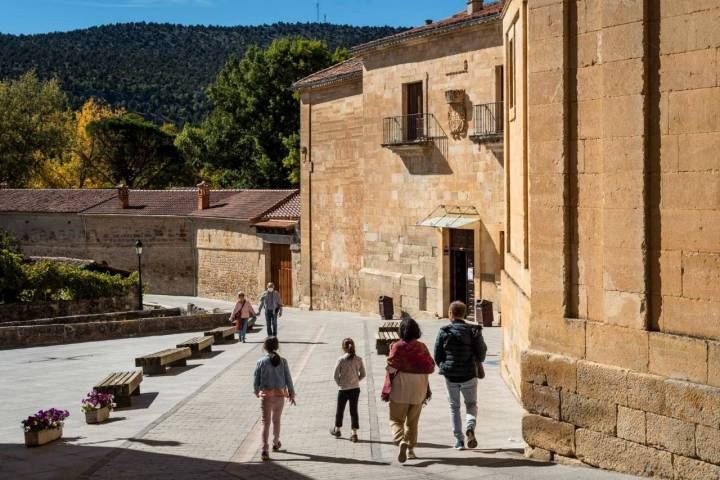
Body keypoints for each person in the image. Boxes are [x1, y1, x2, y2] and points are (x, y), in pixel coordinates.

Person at [434, 300, 487, 450]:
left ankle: (459, 440)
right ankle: (470, 426)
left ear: (450, 314)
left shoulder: (444, 331)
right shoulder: (473, 331)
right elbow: (482, 354)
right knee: (471, 404)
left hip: (451, 376)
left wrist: (445, 367)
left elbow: (437, 355)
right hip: (469, 374)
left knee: (454, 407)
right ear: (464, 314)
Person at [382, 318, 434, 463]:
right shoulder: (422, 347)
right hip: (419, 390)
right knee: (413, 422)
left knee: (395, 419)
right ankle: (411, 450)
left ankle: (400, 441)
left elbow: (391, 367)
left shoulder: (397, 346)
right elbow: (431, 366)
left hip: (400, 388)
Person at [253, 336, 296, 461]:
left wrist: (256, 391)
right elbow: (288, 379)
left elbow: (256, 379)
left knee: (265, 423)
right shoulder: (283, 361)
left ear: (264, 347)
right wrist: (291, 394)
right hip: (280, 396)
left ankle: (264, 450)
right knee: (276, 421)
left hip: (266, 397)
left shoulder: (260, 362)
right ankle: (276, 443)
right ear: (277, 347)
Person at [331, 338, 366, 443]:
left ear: (343, 348)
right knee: (353, 410)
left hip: (343, 389)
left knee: (340, 410)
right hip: (355, 389)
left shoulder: (341, 360)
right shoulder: (359, 359)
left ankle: (337, 429)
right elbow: (363, 374)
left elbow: (335, 375)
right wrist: (356, 380)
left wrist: (340, 384)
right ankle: (354, 433)